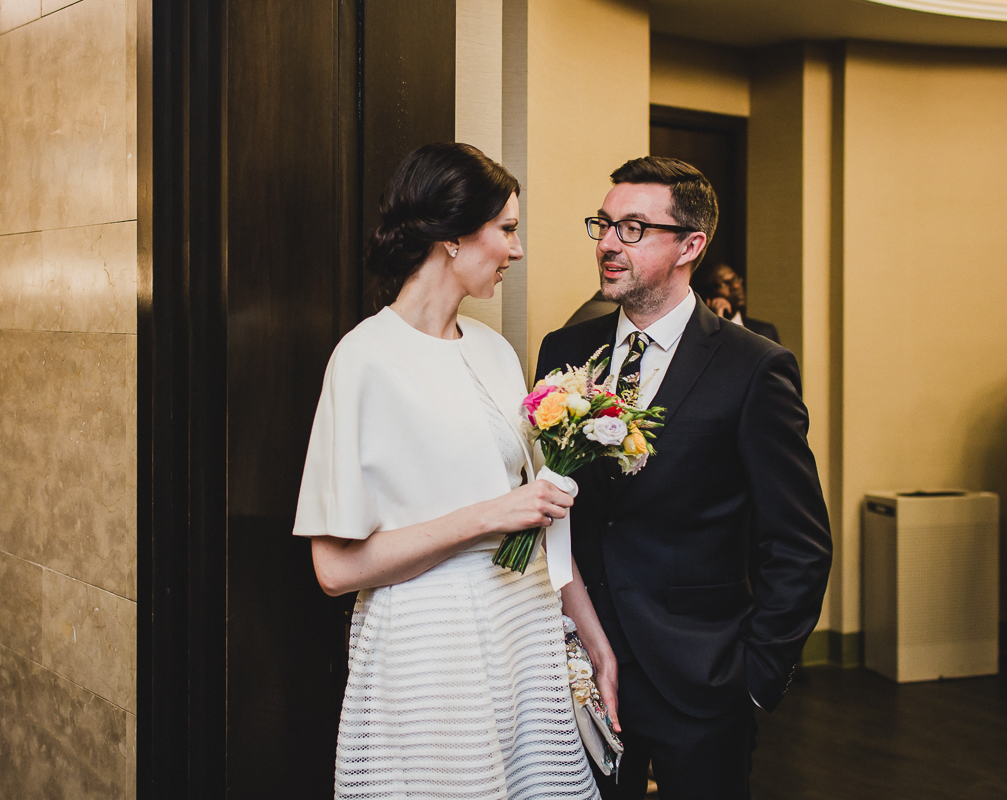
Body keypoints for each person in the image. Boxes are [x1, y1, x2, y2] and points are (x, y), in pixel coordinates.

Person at [294, 143, 610, 800]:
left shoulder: (496, 353)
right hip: (433, 646)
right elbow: (334, 571)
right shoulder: (363, 361)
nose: (517, 251)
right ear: (450, 235)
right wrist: (489, 516)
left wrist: (592, 637)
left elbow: (540, 510)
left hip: (523, 630)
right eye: (507, 229)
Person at [534, 156, 832, 799]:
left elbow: (799, 541)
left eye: (634, 229)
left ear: (690, 245)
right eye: (604, 225)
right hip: (577, 670)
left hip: (703, 678)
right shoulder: (565, 351)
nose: (608, 244)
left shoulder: (755, 368)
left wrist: (757, 674)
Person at [692, 262, 781, 344]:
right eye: (725, 283)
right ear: (707, 295)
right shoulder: (696, 335)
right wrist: (717, 325)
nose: (735, 286)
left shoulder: (764, 332)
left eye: (736, 279)